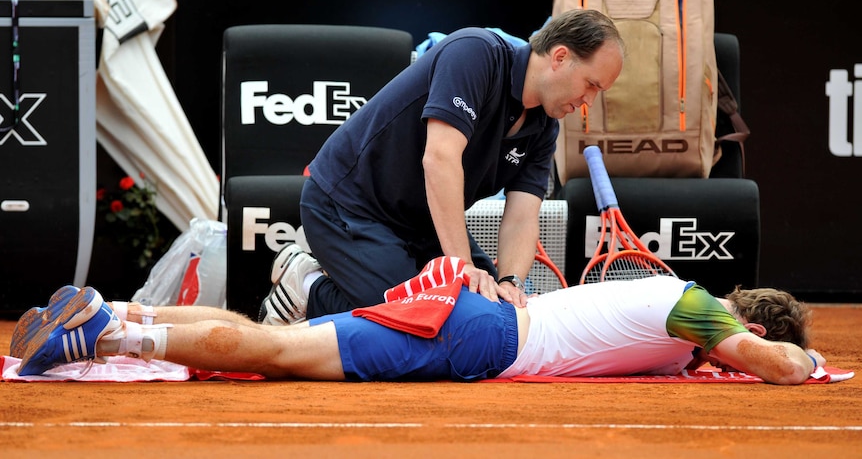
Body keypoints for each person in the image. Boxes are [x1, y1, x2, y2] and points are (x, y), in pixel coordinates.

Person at [258, 8, 626, 325]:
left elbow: (522, 215)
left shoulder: (545, 127)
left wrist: (511, 282)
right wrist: (460, 266)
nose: (588, 102)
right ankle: (306, 284)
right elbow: (440, 159)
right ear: (560, 57)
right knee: (416, 318)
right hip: (348, 204)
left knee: (490, 316)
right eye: (590, 85)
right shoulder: (474, 52)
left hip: (423, 224)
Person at [12, 273, 824, 385]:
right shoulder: (697, 310)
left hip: (473, 319)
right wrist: (804, 357)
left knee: (271, 332)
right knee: (280, 353)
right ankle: (102, 339)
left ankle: (120, 308)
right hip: (479, 339)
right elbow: (780, 366)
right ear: (744, 320)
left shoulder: (675, 337)